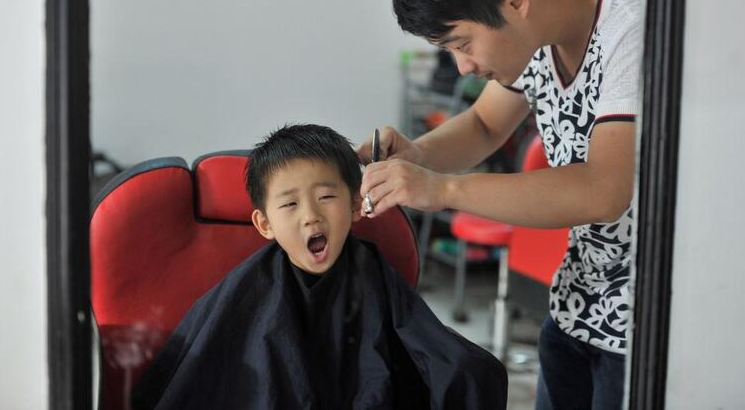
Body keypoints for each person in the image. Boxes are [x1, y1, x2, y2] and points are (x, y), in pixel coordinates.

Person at [358, 0, 642, 410]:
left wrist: (441, 190)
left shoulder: (630, 33)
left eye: (462, 44)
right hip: (577, 302)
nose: (463, 66)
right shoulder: (534, 33)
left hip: (640, 323)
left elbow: (604, 190)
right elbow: (486, 125)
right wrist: (418, 154)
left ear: (514, 0)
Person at [132, 123, 508, 409]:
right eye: (290, 205)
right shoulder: (248, 289)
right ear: (265, 224)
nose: (311, 216)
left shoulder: (371, 271)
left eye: (327, 196)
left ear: (357, 206)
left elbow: (431, 350)